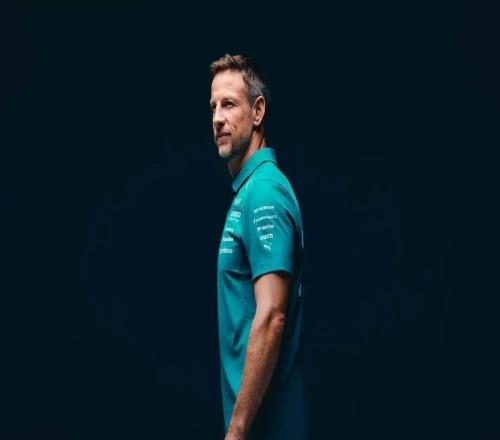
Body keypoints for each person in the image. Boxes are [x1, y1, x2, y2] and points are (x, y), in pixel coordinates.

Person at [211, 54, 307, 440]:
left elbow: (272, 317)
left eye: (229, 104)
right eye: (213, 107)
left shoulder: (265, 192)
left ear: (258, 112)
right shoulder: (249, 192)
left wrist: (235, 433)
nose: (217, 118)